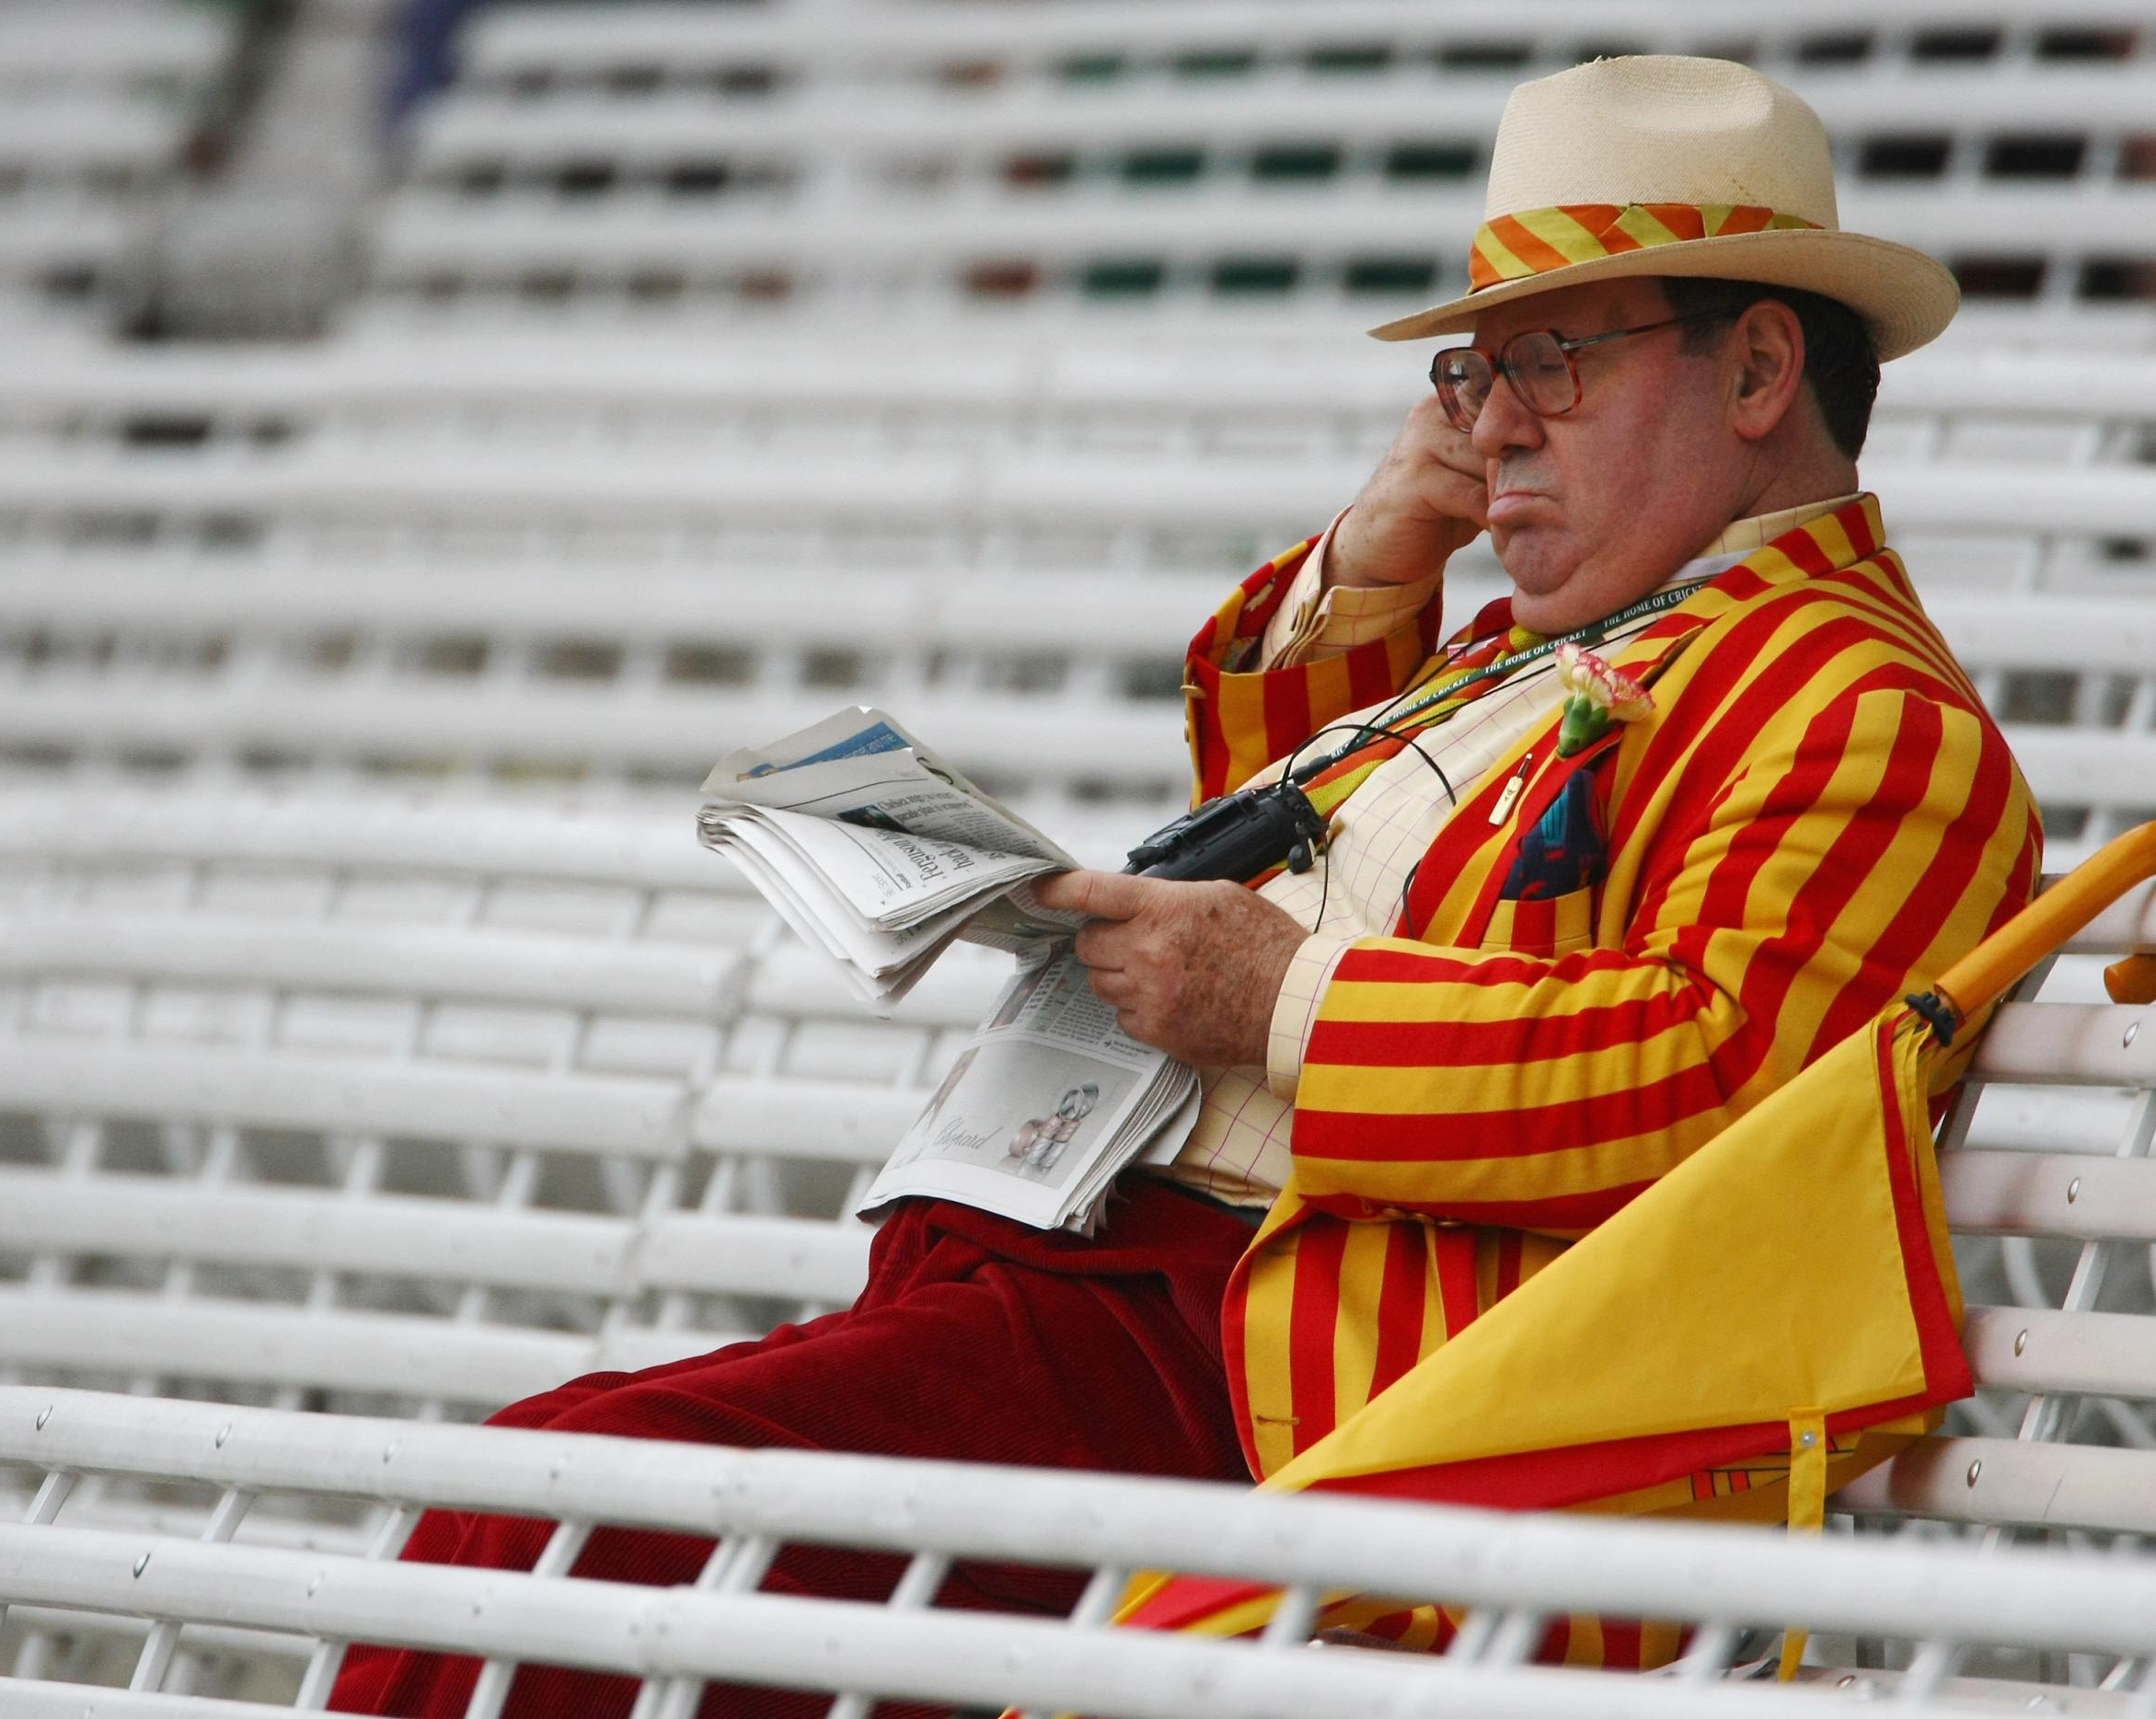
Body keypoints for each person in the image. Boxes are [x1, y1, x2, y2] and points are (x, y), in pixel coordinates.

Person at [334, 54, 2039, 1715]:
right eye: (1472, 376)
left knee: (549, 1514)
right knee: (548, 1501)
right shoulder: (1573, 641)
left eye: (1557, 363)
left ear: (1756, 372)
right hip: (1121, 1299)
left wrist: (1275, 999)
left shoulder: (1872, 714)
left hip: (1307, 1389)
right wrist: (1376, 560)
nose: (1495, 424)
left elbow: (1732, 1089)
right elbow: (1304, 831)